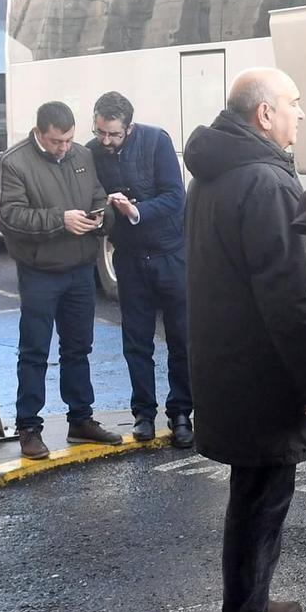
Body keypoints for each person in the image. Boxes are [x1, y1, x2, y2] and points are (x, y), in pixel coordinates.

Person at [184, 69, 306, 612]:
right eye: (295, 104)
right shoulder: (267, 184)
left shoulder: (218, 172)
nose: (302, 114)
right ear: (264, 115)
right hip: (262, 373)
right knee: (261, 499)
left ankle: (250, 598)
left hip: (230, 363)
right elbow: (290, 297)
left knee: (255, 494)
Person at [0, 101, 122, 460]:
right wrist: (59, 220)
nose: (63, 148)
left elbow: (99, 197)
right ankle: (29, 428)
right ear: (39, 132)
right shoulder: (13, 162)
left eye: (68, 140)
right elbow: (9, 217)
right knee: (34, 351)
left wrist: (101, 218)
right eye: (55, 141)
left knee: (78, 348)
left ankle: (81, 419)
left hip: (80, 269)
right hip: (39, 272)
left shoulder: (82, 155)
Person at [89, 92, 193, 448]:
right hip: (130, 259)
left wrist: (135, 211)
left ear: (129, 128)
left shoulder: (156, 141)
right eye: (100, 132)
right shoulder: (92, 150)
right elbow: (91, 199)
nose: (105, 141)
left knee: (181, 338)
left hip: (170, 254)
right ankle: (143, 415)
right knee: (136, 341)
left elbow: (175, 196)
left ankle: (181, 413)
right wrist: (104, 212)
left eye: (113, 135)